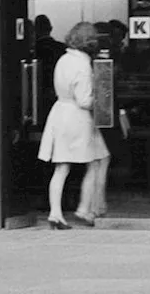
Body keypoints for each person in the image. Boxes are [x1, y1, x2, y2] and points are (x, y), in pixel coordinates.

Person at [37, 22, 110, 230]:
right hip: (78, 118)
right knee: (94, 162)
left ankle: (55, 213)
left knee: (61, 167)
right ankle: (85, 208)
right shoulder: (83, 65)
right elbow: (84, 100)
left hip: (59, 113)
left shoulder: (63, 59)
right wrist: (100, 97)